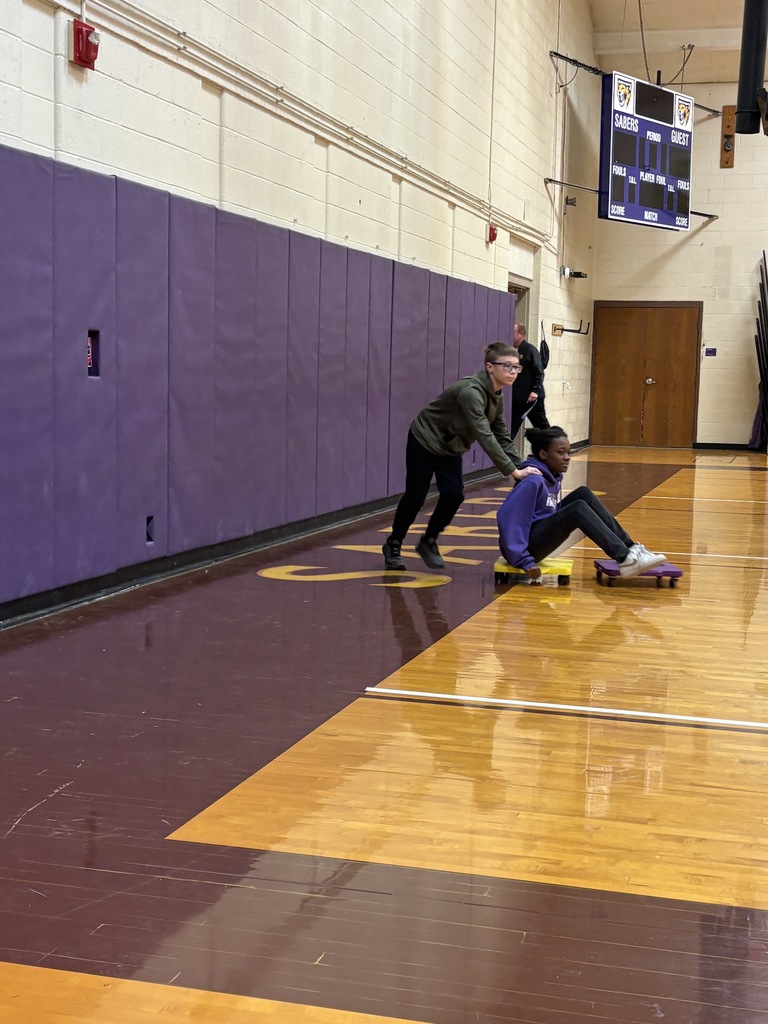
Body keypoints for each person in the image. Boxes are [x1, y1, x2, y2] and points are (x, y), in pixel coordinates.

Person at [382, 343, 541, 571]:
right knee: (416, 495)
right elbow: (484, 434)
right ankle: (394, 544)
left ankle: (428, 541)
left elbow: (502, 435)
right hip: (425, 440)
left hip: (450, 447)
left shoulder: (496, 395)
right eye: (507, 366)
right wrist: (513, 471)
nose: (513, 372)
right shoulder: (471, 393)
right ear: (489, 367)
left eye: (516, 367)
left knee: (454, 494)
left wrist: (522, 466)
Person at [497, 425, 667, 579]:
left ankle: (630, 548)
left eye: (568, 453)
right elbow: (508, 518)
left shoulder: (551, 477)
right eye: (560, 452)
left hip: (538, 535)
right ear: (543, 454)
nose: (567, 458)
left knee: (583, 494)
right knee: (577, 509)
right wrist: (524, 560)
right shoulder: (533, 481)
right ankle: (624, 558)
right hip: (526, 549)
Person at [511, 322, 549, 435]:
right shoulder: (510, 350)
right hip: (518, 397)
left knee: (541, 425)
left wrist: (535, 391)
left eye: (513, 333)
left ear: (521, 334)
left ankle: (553, 447)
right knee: (511, 427)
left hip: (532, 398)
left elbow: (539, 372)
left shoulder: (530, 350)